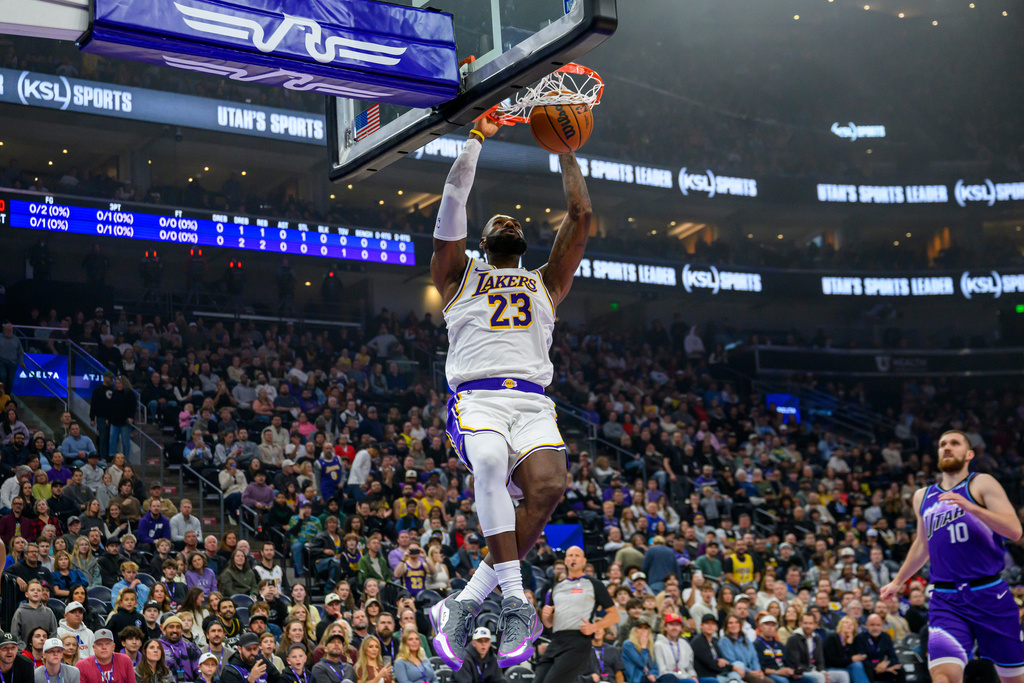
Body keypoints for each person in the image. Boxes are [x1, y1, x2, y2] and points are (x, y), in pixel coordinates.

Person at [429, 115, 592, 669]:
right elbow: (454, 193)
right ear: (480, 240)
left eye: (515, 219)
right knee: (492, 460)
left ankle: (467, 599)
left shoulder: (546, 281)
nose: (508, 219)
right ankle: (516, 598)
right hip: (477, 399)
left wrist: (566, 149)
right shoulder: (457, 276)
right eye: (497, 219)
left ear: (521, 243)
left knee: (549, 488)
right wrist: (477, 137)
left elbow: (581, 215)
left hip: (532, 402)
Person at [881, 429, 1024, 683]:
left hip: (989, 593)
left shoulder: (981, 483)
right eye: (942, 444)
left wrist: (971, 507)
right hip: (946, 599)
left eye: (954, 443)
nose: (947, 447)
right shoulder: (922, 496)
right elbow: (922, 545)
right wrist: (898, 581)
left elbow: (1014, 531)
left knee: (1013, 679)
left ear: (969, 454)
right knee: (944, 677)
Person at [533, 547, 620, 683]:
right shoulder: (557, 587)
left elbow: (614, 615)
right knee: (538, 680)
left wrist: (594, 626)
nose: (573, 558)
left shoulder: (594, 584)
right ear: (566, 561)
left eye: (577, 555)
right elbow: (549, 623)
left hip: (578, 641)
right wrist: (546, 616)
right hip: (556, 640)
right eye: (570, 555)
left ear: (584, 561)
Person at [719, 615, 769, 683]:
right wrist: (751, 672)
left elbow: (754, 657)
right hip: (737, 671)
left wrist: (758, 670)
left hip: (752, 671)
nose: (734, 625)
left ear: (740, 624)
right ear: (726, 626)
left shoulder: (746, 639)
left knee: (770, 681)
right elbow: (731, 662)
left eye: (736, 622)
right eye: (730, 623)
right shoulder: (724, 641)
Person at [853, 616, 900, 683]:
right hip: (869, 667)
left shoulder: (886, 637)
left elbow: (894, 657)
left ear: (882, 626)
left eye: (878, 625)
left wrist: (887, 663)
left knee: (899, 670)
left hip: (883, 667)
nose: (875, 628)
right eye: (872, 625)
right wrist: (876, 667)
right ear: (866, 625)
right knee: (866, 669)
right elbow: (862, 658)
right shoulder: (860, 638)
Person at [11, 579, 58, 646]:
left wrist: (48, 647)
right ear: (26, 594)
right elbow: (15, 635)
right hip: (25, 653)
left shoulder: (48, 612)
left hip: (45, 652)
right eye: (32, 590)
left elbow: (53, 633)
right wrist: (23, 649)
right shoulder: (20, 612)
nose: (35, 592)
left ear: (41, 594)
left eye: (38, 590)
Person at [653, 614, 697, 683]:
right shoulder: (658, 645)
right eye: (671, 624)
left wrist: (693, 676)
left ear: (681, 628)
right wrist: (685, 677)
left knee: (711, 681)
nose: (675, 627)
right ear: (665, 627)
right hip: (669, 679)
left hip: (686, 677)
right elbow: (662, 671)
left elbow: (690, 667)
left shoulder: (684, 644)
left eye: (677, 625)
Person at [783, 614, 826, 683]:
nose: (807, 626)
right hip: (800, 671)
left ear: (815, 625)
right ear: (800, 624)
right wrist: (814, 671)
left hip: (814, 669)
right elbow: (795, 662)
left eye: (810, 623)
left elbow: (820, 659)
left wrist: (822, 671)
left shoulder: (816, 638)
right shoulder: (794, 638)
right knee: (819, 677)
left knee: (841, 675)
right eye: (805, 623)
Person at [691, 615, 734, 682]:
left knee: (737, 669)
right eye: (707, 623)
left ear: (716, 627)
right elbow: (710, 664)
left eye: (713, 624)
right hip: (706, 676)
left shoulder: (715, 641)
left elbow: (721, 659)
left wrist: (721, 661)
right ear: (701, 626)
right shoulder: (698, 641)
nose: (710, 626)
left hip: (718, 673)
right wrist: (732, 667)